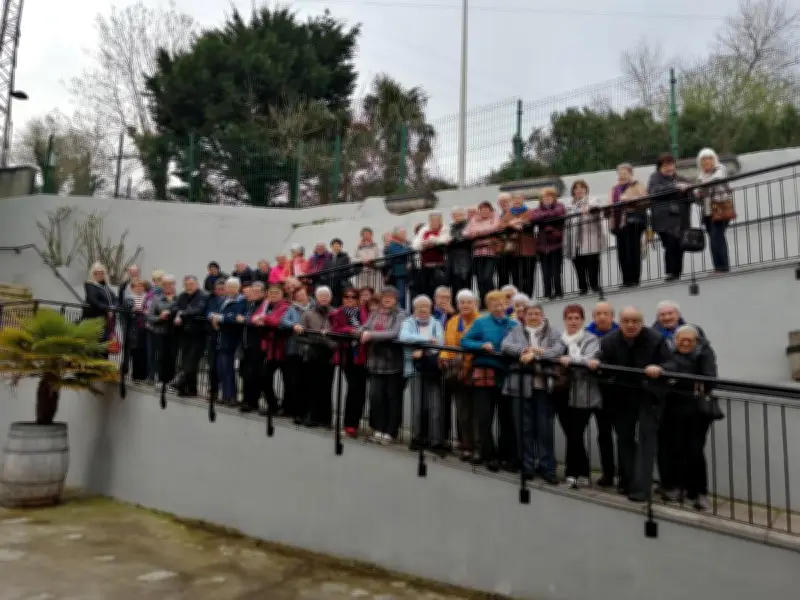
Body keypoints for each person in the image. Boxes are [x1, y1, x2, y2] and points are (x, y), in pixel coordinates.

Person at [587, 306, 676, 502]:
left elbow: (671, 363)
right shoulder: (609, 340)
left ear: (641, 322)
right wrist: (595, 361)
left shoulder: (655, 339)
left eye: (635, 321)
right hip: (622, 397)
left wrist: (659, 368)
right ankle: (626, 482)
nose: (630, 325)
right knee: (624, 440)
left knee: (646, 441)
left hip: (649, 396)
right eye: (626, 321)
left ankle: (641, 489)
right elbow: (602, 359)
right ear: (620, 322)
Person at [501, 301, 563, 483]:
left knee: (544, 430)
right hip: (519, 387)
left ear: (542, 315)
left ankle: (547, 467)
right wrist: (524, 349)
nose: (534, 317)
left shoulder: (553, 331)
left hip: (543, 387)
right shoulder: (516, 331)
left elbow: (559, 349)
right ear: (524, 316)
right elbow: (505, 346)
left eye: (537, 313)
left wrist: (536, 355)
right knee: (523, 428)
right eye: (530, 314)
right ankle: (527, 466)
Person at [660, 325, 718, 509]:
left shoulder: (704, 353)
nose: (684, 343)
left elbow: (709, 379)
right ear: (675, 340)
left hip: (697, 412)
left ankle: (700, 492)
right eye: (681, 340)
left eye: (689, 341)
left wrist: (677, 379)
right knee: (675, 450)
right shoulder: (668, 353)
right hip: (673, 409)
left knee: (695, 451)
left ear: (696, 341)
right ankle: (678, 488)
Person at [460, 290, 518, 472]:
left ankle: (505, 456)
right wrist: (481, 346)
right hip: (485, 373)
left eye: (501, 304)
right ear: (488, 306)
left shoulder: (514, 323)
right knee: (484, 417)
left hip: (506, 375)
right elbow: (465, 341)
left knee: (506, 418)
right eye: (494, 304)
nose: (499, 307)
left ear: (506, 305)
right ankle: (489, 455)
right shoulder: (481, 322)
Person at [556, 304, 602, 488]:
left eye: (577, 318)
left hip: (584, 394)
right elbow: (552, 356)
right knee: (571, 434)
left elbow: (591, 359)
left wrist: (571, 360)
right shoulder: (560, 340)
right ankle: (581, 471)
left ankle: (572, 473)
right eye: (569, 318)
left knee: (576, 433)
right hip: (561, 392)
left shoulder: (591, 338)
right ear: (565, 321)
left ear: (583, 320)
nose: (573, 321)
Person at [400, 295, 446, 455]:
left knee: (435, 407)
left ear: (430, 308)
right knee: (418, 406)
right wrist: (426, 339)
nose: (423, 309)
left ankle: (436, 441)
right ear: (415, 309)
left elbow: (440, 342)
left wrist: (422, 350)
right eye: (419, 307)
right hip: (415, 369)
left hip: (433, 369)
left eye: (426, 306)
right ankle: (418, 437)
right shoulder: (408, 322)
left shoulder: (437, 323)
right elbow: (404, 337)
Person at [361, 286, 407, 443]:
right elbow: (364, 328)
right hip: (375, 363)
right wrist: (359, 332)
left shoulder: (401, 314)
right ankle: (378, 429)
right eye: (385, 296)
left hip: (393, 364)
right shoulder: (375, 314)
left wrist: (370, 335)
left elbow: (395, 333)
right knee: (375, 397)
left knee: (392, 398)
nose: (387, 299)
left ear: (396, 299)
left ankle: (391, 431)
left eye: (391, 296)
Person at [440, 289, 481, 462]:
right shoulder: (453, 321)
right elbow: (447, 344)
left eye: (469, 302)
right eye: (462, 302)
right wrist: (442, 357)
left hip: (475, 371)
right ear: (457, 305)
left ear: (475, 304)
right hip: (456, 372)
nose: (465, 305)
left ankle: (479, 448)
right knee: (463, 411)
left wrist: (466, 365)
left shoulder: (481, 321)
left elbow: (475, 345)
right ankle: (467, 446)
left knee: (477, 413)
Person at [585, 302, 620, 488]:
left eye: (605, 313)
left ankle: (625, 474)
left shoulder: (621, 333)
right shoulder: (586, 335)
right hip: (597, 391)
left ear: (612, 316)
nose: (602, 317)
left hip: (619, 392)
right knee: (604, 434)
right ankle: (608, 473)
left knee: (623, 435)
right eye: (598, 313)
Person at [294, 286, 338, 427]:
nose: (324, 298)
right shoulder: (308, 314)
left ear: (330, 298)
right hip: (312, 353)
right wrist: (317, 339)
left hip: (328, 354)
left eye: (326, 296)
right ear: (316, 298)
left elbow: (338, 332)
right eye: (321, 296)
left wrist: (327, 340)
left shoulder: (336, 313)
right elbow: (299, 336)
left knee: (326, 387)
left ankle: (326, 420)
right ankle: (311, 416)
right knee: (311, 386)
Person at [331, 288, 369, 437]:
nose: (350, 299)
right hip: (348, 354)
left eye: (353, 297)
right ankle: (349, 423)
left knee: (361, 390)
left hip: (363, 354)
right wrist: (352, 330)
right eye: (346, 297)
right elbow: (336, 328)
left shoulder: (363, 312)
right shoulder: (338, 312)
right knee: (353, 388)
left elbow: (368, 326)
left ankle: (356, 421)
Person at [648, 153, 692, 282]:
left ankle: (677, 272)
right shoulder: (655, 178)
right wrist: (675, 187)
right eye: (666, 165)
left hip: (681, 218)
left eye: (671, 165)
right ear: (660, 167)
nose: (669, 168)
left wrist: (689, 190)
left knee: (680, 244)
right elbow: (654, 191)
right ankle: (671, 272)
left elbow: (691, 196)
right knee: (670, 243)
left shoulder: (680, 178)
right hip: (664, 218)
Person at [250, 283, 290, 416]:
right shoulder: (266, 305)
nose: (273, 295)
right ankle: (272, 405)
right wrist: (259, 319)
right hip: (269, 348)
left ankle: (287, 408)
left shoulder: (285, 306)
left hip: (282, 348)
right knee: (264, 376)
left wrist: (263, 318)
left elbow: (276, 321)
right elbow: (253, 317)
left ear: (282, 294)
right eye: (271, 293)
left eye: (276, 293)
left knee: (288, 380)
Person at [607, 163, 648, 287]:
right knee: (622, 251)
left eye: (625, 173)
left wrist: (629, 199)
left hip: (634, 222)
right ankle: (625, 279)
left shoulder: (637, 185)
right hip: (619, 224)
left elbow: (646, 200)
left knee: (633, 250)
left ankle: (634, 279)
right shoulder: (614, 189)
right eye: (620, 174)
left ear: (631, 174)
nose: (622, 176)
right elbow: (609, 204)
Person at [207, 277, 246, 406]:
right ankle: (224, 395)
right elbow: (211, 312)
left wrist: (218, 318)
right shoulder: (224, 300)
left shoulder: (241, 301)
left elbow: (234, 317)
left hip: (230, 338)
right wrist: (213, 317)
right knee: (220, 368)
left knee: (228, 368)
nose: (229, 289)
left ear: (237, 288)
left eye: (232, 287)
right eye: (228, 287)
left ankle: (231, 396)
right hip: (220, 337)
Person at [280, 286, 315, 423]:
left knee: (306, 382)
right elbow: (283, 320)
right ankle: (297, 412)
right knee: (294, 382)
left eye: (302, 294)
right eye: (297, 295)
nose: (300, 297)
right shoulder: (292, 308)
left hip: (309, 348)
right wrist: (294, 324)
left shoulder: (314, 307)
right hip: (293, 348)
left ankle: (307, 412)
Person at [564, 180, 605, 295]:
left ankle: (595, 285)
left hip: (590, 237)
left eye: (582, 188)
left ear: (586, 189)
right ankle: (583, 287)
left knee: (592, 262)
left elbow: (597, 208)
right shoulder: (569, 205)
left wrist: (589, 208)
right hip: (574, 238)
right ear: (573, 191)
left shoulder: (592, 200)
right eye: (576, 188)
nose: (579, 190)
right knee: (578, 263)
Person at [694, 148, 731, 273]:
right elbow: (698, 196)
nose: (706, 162)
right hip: (708, 210)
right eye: (703, 160)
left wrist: (702, 186)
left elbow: (717, 179)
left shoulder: (720, 169)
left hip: (720, 207)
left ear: (714, 159)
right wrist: (697, 194)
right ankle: (718, 266)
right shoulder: (701, 175)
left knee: (717, 237)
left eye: (709, 159)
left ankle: (723, 266)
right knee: (714, 238)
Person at [171, 275, 208, 397]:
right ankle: (188, 388)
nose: (189, 287)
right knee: (185, 360)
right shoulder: (182, 295)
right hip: (185, 333)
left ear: (197, 284)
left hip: (198, 333)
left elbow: (199, 310)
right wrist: (179, 312)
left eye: (191, 284)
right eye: (186, 285)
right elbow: (175, 307)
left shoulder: (203, 296)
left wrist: (182, 313)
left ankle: (180, 381)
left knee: (192, 360)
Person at [464, 202, 502, 307]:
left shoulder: (495, 217)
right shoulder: (474, 219)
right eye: (482, 209)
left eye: (486, 209)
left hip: (491, 252)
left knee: (487, 277)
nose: (484, 211)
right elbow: (466, 233)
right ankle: (484, 301)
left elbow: (495, 228)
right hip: (477, 254)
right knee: (480, 279)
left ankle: (494, 300)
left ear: (490, 210)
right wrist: (480, 234)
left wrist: (478, 233)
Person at [532, 188, 566, 299]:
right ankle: (547, 292)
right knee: (545, 271)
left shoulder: (560, 206)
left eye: (549, 197)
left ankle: (558, 291)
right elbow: (534, 217)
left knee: (556, 270)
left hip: (556, 243)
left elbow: (558, 212)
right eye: (544, 198)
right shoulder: (536, 210)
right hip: (542, 245)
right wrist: (548, 219)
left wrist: (544, 221)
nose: (547, 199)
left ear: (553, 198)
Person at [237, 282, 266, 413]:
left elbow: (258, 321)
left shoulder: (263, 305)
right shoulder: (250, 304)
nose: (253, 294)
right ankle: (246, 400)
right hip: (246, 344)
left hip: (257, 345)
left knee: (253, 374)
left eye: (257, 292)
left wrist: (244, 320)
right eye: (252, 291)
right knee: (245, 373)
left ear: (263, 293)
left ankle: (251, 401)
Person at [147, 274, 179, 388]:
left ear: (174, 285)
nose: (167, 286)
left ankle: (170, 381)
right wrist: (159, 317)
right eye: (165, 284)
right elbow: (149, 317)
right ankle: (161, 380)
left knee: (172, 357)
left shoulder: (179, 299)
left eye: (170, 284)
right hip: (159, 332)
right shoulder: (156, 299)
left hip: (174, 333)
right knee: (160, 357)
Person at [503, 193, 537, 297]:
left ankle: (528, 296)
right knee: (516, 275)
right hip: (514, 250)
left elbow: (532, 221)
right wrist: (510, 224)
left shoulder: (529, 211)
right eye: (514, 199)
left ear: (523, 200)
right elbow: (501, 225)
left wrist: (518, 222)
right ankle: (518, 297)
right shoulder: (508, 213)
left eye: (519, 199)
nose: (517, 201)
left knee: (528, 274)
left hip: (528, 248)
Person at [412, 212, 451, 299]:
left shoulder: (444, 229)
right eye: (432, 220)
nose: (434, 222)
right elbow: (417, 244)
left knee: (439, 289)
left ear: (440, 220)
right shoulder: (424, 230)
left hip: (439, 265)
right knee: (427, 289)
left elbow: (444, 240)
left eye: (436, 220)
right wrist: (425, 244)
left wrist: (432, 240)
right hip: (425, 265)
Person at [82, 262, 117, 351]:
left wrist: (114, 307)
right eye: (96, 273)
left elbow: (115, 299)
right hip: (95, 319)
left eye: (101, 273)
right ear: (92, 273)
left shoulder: (106, 286)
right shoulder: (89, 285)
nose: (99, 275)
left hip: (107, 321)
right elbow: (93, 300)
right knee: (95, 345)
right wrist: (108, 309)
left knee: (105, 345)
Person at [204, 279, 228, 403]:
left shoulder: (230, 300)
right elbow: (207, 311)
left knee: (223, 367)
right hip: (212, 335)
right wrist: (212, 317)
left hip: (224, 335)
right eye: (218, 289)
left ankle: (225, 393)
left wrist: (218, 319)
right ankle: (213, 391)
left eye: (222, 289)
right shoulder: (212, 300)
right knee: (211, 365)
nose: (220, 291)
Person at [122, 278, 148, 381]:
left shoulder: (147, 298)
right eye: (136, 286)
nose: (139, 288)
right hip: (133, 328)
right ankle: (136, 375)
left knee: (143, 351)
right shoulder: (129, 298)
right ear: (132, 288)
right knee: (135, 351)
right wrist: (134, 311)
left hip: (144, 328)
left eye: (141, 286)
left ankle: (143, 375)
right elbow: (126, 313)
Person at [447, 207, 473, 299]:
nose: (457, 217)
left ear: (463, 215)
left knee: (465, 280)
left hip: (464, 256)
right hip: (452, 258)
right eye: (455, 215)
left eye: (459, 215)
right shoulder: (450, 227)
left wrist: (453, 240)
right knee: (455, 282)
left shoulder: (467, 225)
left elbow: (465, 237)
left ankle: (468, 300)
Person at [383, 228, 411, 309]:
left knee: (405, 294)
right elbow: (401, 253)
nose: (405, 234)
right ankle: (401, 310)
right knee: (401, 295)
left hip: (404, 272)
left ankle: (404, 310)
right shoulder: (392, 245)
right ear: (397, 234)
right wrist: (409, 247)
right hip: (398, 273)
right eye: (403, 233)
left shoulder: (402, 244)